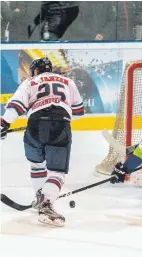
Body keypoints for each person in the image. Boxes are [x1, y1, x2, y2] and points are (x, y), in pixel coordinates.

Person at [0, 57, 84, 226]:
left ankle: (40, 197)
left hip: (35, 125)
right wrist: (58, 118)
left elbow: (15, 106)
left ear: (35, 71)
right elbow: (79, 111)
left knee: (36, 165)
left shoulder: (30, 82)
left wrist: (4, 124)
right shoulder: (68, 82)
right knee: (57, 172)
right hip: (60, 126)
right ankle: (46, 202)